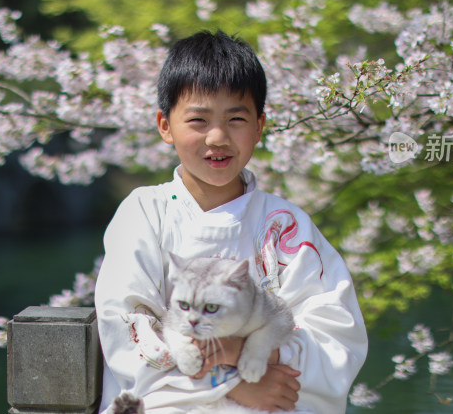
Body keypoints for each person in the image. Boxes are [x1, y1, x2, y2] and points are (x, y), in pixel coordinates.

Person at [94, 30, 368, 413]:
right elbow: (128, 328)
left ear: (259, 126)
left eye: (236, 118)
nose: (218, 137)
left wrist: (249, 353)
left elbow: (336, 337)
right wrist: (233, 385)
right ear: (165, 125)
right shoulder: (143, 213)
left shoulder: (285, 226)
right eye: (198, 120)